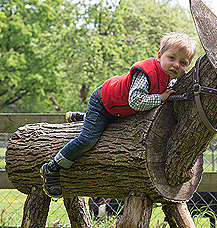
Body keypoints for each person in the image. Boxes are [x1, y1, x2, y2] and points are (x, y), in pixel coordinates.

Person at [40, 32, 197, 198]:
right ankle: (52, 167)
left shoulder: (175, 79)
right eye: (171, 58)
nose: (176, 65)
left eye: (183, 63)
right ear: (159, 55)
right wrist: (160, 97)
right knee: (88, 139)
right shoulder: (146, 72)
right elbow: (136, 101)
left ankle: (83, 117)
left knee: (111, 125)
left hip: (120, 110)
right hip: (103, 102)